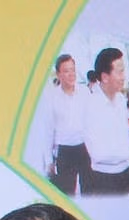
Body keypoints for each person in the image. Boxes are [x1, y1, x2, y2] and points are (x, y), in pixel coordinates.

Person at [27, 55, 90, 196]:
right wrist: (49, 160)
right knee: (66, 194)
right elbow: (48, 130)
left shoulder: (85, 92)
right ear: (58, 74)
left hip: (85, 148)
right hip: (64, 150)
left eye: (73, 70)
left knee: (89, 192)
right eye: (66, 71)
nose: (71, 74)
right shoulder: (51, 97)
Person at [83, 48, 129, 196]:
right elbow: (98, 153)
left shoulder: (120, 99)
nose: (124, 77)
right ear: (105, 77)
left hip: (125, 174)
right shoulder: (91, 106)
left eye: (123, 71)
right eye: (119, 72)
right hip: (104, 180)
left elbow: (124, 137)